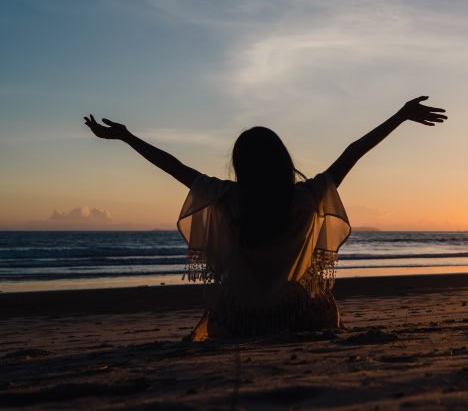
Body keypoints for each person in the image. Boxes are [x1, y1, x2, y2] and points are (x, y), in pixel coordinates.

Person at [84, 96, 447, 340]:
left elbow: (174, 167)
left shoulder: (228, 198)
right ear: (283, 162)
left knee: (215, 316)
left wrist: (127, 137)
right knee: (322, 301)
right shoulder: (306, 197)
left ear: (241, 167)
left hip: (238, 322)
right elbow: (353, 152)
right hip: (294, 318)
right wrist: (400, 117)